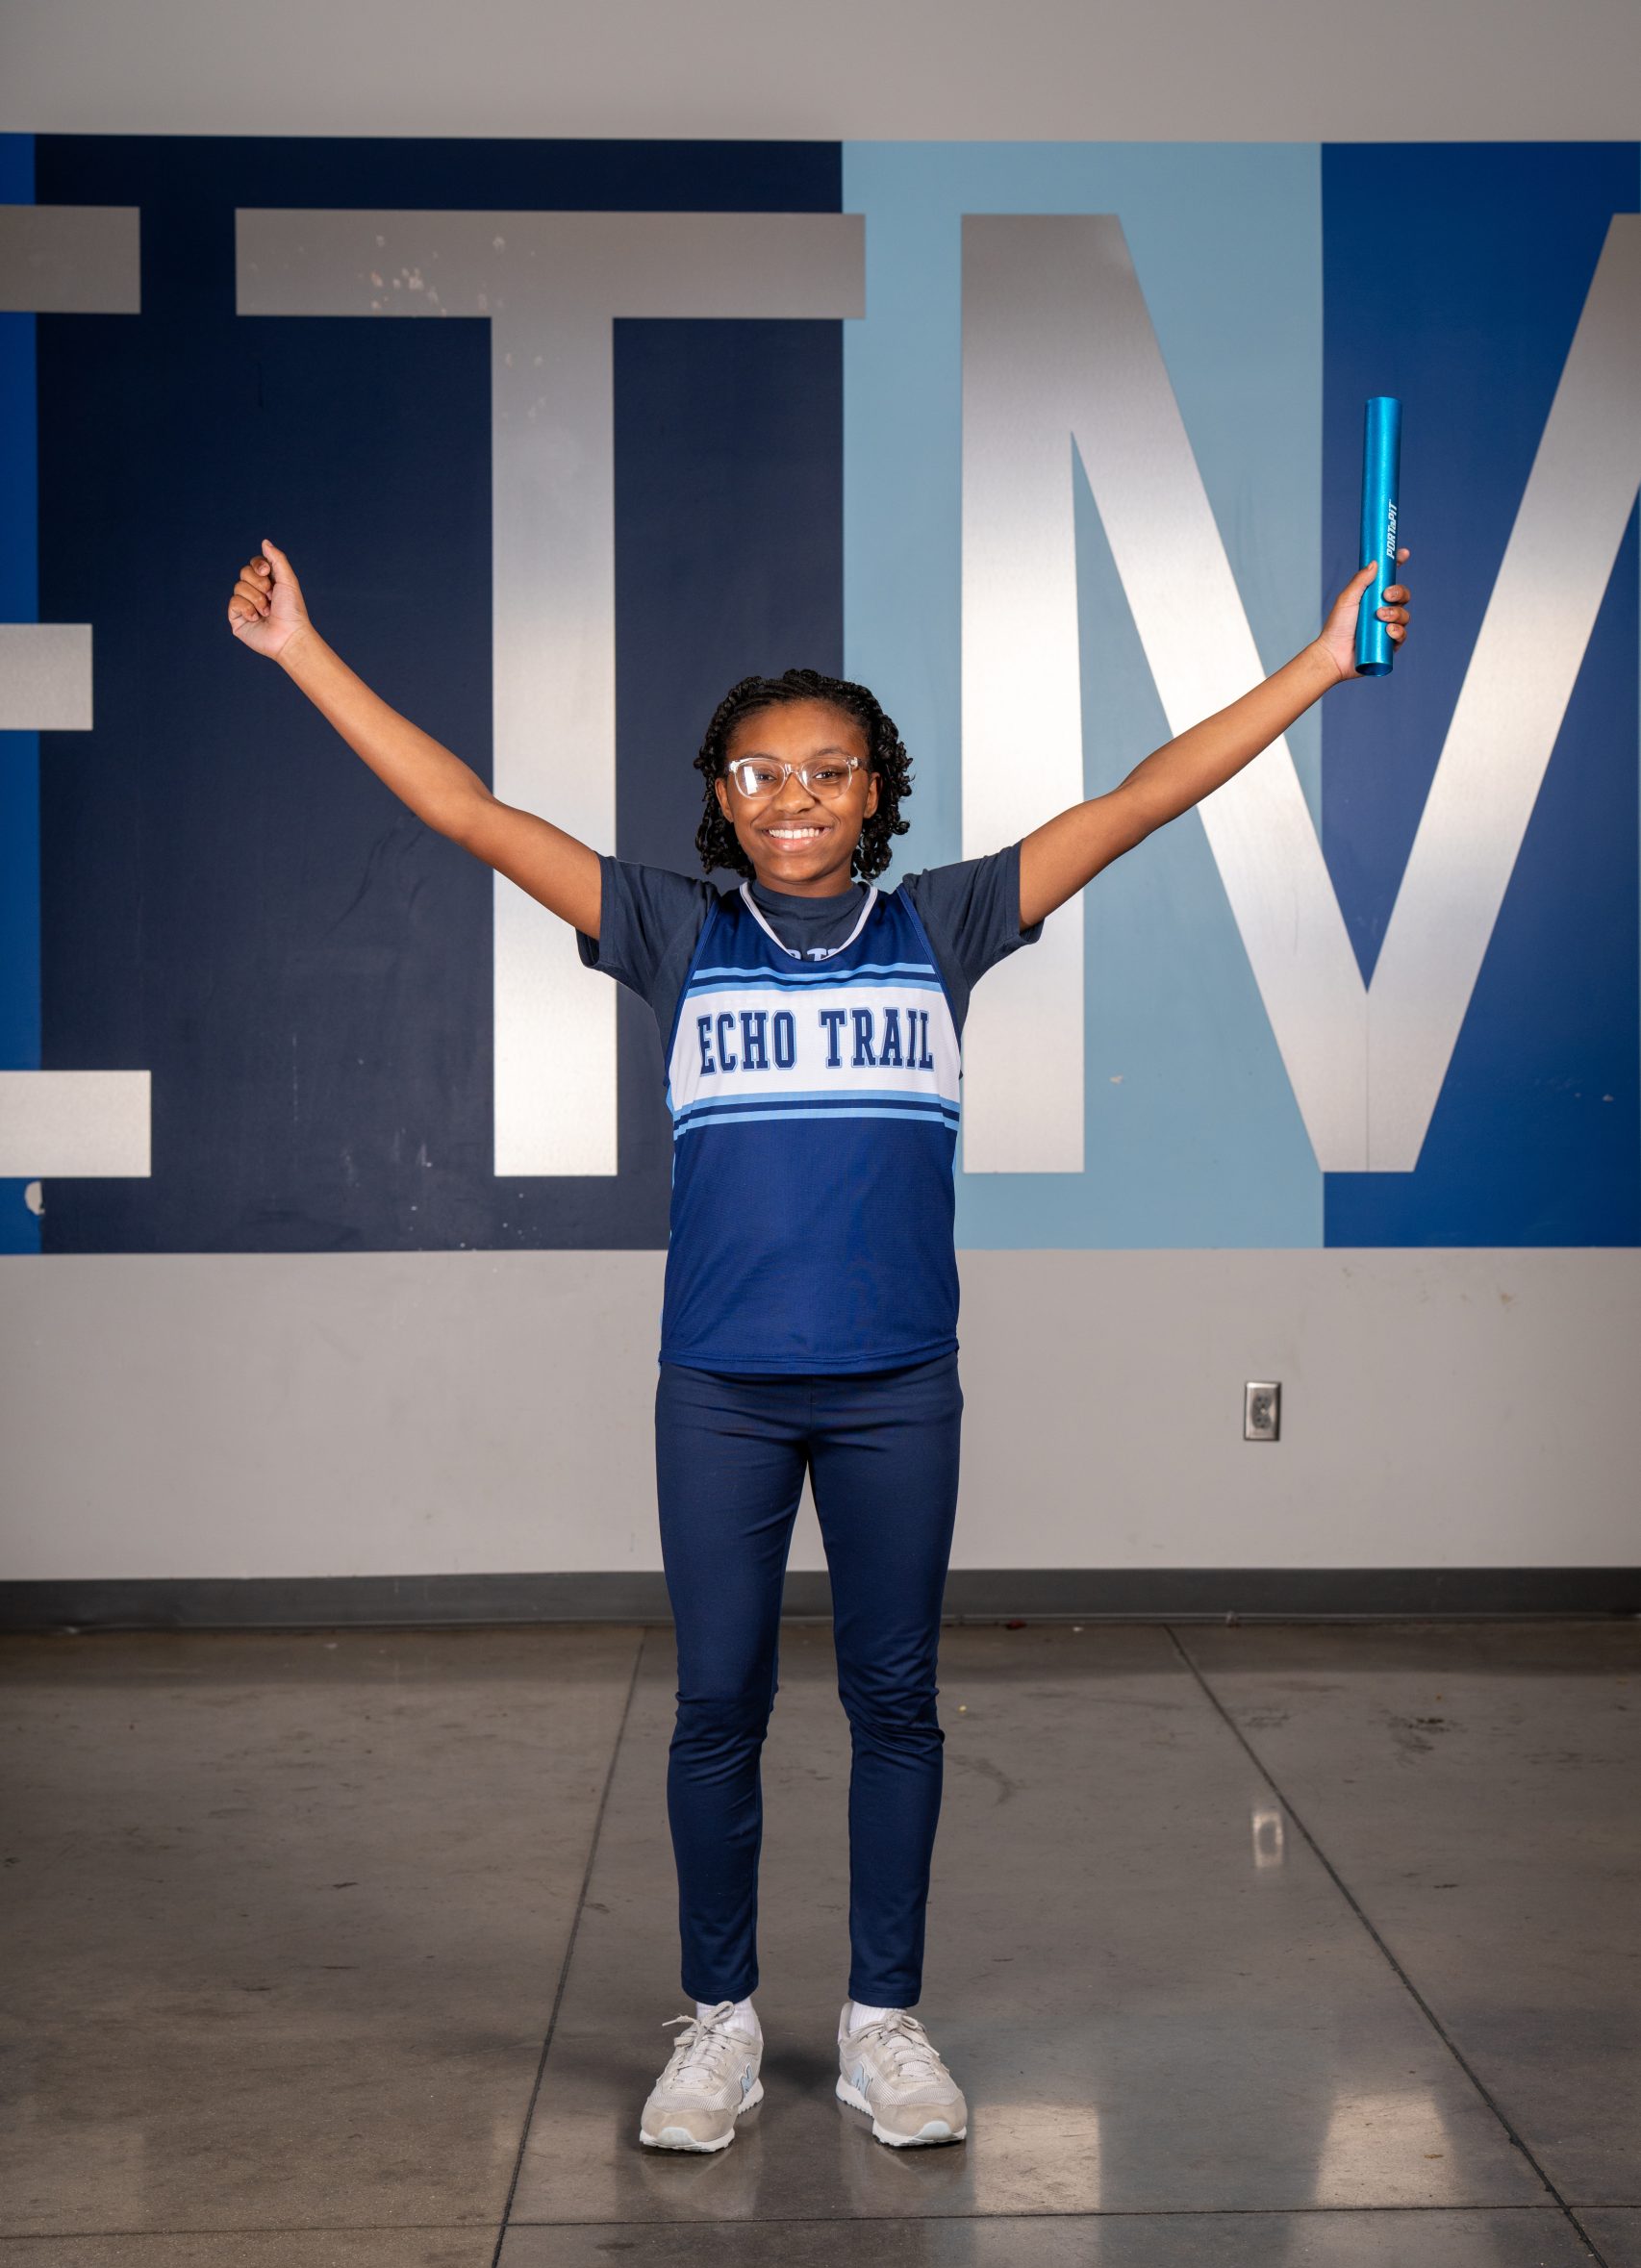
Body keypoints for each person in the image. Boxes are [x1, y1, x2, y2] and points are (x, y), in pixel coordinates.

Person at [226, 532, 1412, 2155]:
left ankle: (880, 2026)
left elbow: (1142, 799)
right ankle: (717, 2023)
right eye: (760, 774)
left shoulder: (947, 922)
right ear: (721, 798)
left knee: (894, 1705)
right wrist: (302, 651)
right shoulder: (670, 931)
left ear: (874, 794)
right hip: (718, 1391)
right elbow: (467, 812)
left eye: (828, 772)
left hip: (895, 1389)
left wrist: (1323, 663)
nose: (793, 797)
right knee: (715, 1708)